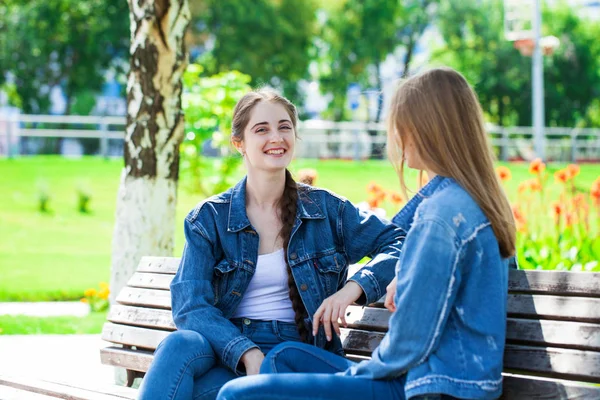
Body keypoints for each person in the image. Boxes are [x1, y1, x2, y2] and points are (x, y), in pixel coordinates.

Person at [216, 67, 517, 400]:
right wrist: (400, 276)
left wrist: (357, 374)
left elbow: (409, 342)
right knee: (286, 358)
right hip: (448, 379)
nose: (396, 137)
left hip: (428, 386)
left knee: (237, 395)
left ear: (423, 130)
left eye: (399, 125)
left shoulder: (440, 215)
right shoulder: (470, 200)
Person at [137, 88, 404, 400]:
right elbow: (190, 305)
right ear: (239, 143)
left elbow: (399, 241)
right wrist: (246, 352)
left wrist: (354, 288)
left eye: (284, 127)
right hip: (228, 347)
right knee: (178, 344)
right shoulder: (209, 219)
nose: (276, 137)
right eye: (261, 129)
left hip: (295, 355)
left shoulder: (327, 210)